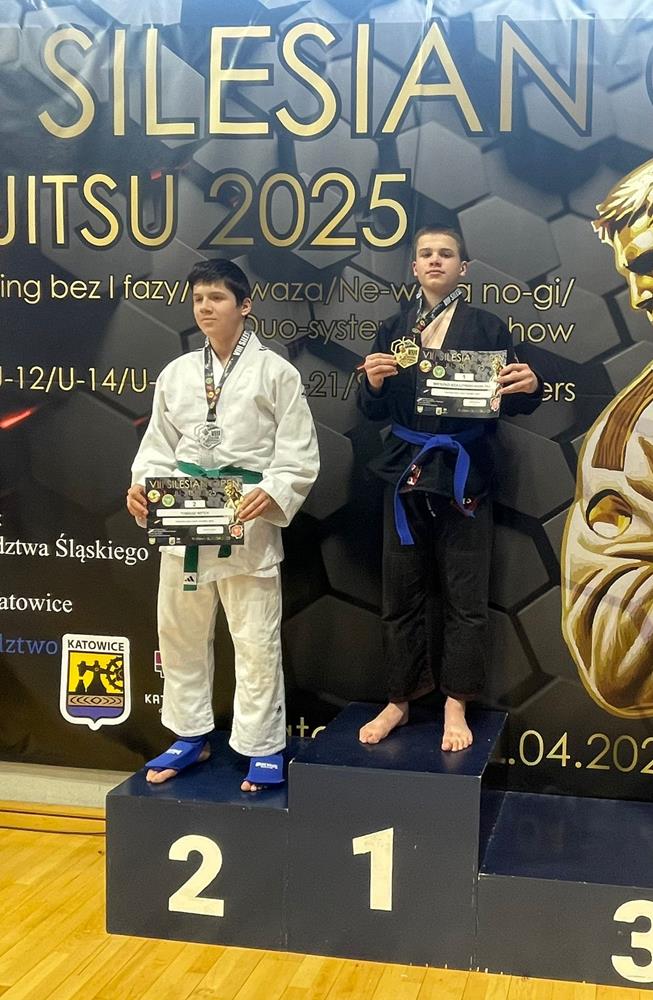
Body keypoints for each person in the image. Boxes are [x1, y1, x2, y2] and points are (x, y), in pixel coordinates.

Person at [126, 259, 319, 790]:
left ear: (245, 305)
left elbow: (299, 452)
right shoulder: (177, 373)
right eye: (198, 299)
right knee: (180, 634)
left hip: (245, 519)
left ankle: (263, 743)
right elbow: (157, 445)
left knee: (255, 639)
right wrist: (143, 486)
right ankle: (190, 734)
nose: (205, 308)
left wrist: (273, 490)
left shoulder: (276, 372)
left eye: (216, 298)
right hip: (183, 518)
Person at [357, 225, 542, 751]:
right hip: (406, 473)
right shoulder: (393, 329)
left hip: (466, 475)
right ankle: (399, 699)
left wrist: (531, 386)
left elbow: (515, 399)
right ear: (414, 267)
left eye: (446, 254)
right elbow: (370, 410)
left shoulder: (487, 327)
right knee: (400, 593)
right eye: (426, 254)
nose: (435, 260)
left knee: (466, 596)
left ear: (464, 268)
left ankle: (455, 702)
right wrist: (372, 382)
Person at [561, 159, 653, 717]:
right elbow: (611, 650)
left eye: (650, 262)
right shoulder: (633, 433)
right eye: (632, 271)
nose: (639, 294)